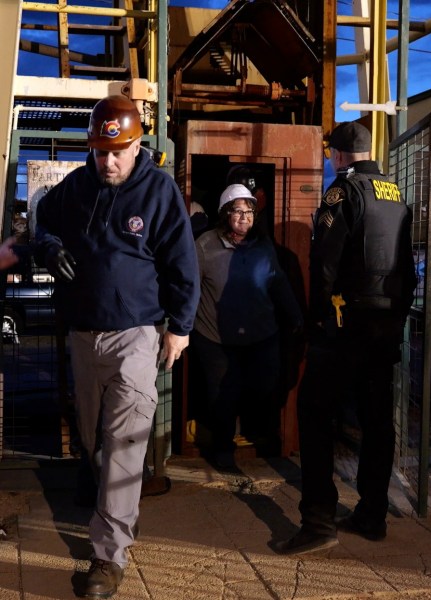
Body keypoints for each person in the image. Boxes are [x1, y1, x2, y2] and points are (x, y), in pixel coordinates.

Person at [34, 94, 200, 598]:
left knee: (126, 441)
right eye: (101, 151)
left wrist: (180, 326)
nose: (108, 161)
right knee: (93, 437)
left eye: (118, 151)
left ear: (136, 145)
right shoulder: (76, 187)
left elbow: (183, 264)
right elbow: (42, 221)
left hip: (136, 335)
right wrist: (47, 244)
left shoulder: (159, 192)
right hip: (84, 334)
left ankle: (108, 556)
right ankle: (118, 512)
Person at [275, 121, 417, 555]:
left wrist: (317, 321)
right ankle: (371, 515)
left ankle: (318, 522)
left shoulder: (342, 192)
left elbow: (324, 263)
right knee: (376, 420)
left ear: (337, 155)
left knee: (315, 414)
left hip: (344, 327)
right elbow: (408, 268)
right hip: (385, 327)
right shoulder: (396, 196)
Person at [191, 183, 303, 470]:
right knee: (222, 396)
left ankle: (256, 434)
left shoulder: (264, 246)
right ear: (225, 214)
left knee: (263, 386)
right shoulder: (204, 246)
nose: (245, 217)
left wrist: (296, 318)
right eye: (238, 211)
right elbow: (189, 288)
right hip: (215, 338)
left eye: (250, 211)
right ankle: (223, 449)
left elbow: (278, 283)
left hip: (261, 335)